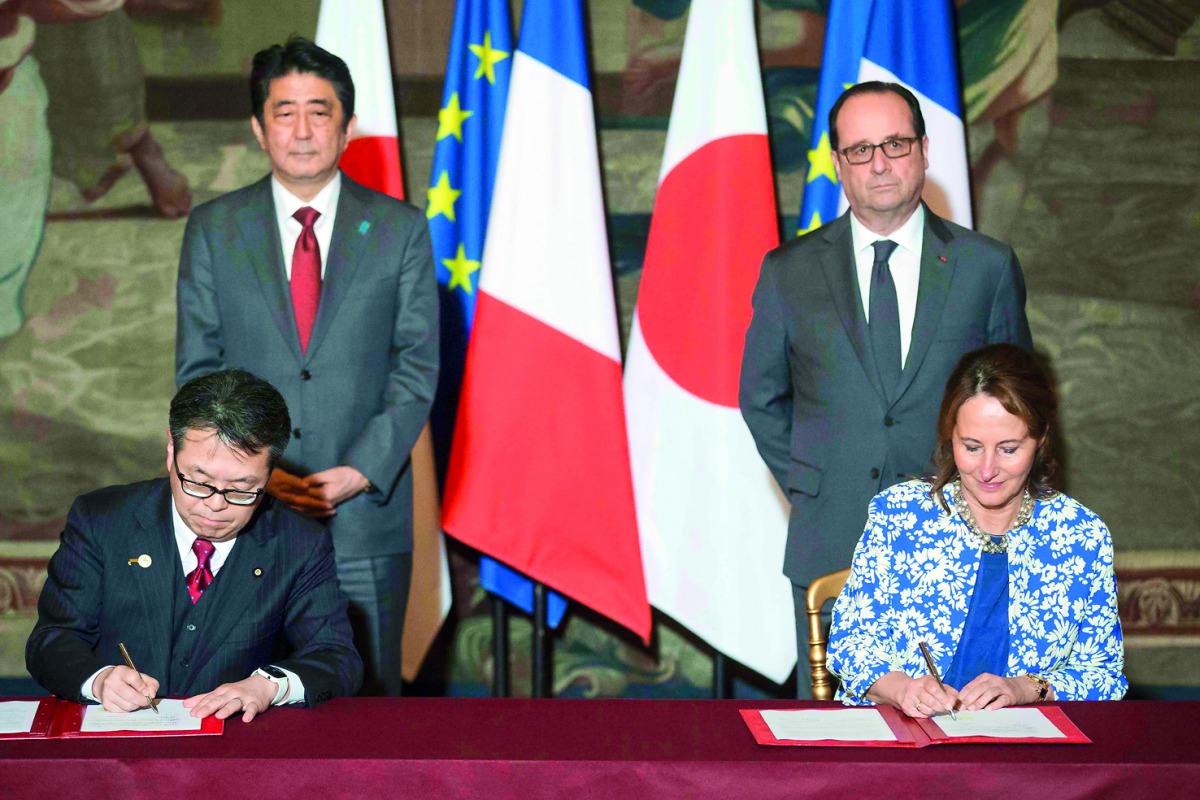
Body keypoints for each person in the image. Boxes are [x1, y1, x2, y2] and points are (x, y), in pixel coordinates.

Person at [738, 81, 1032, 694]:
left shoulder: (987, 266)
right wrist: (813, 477)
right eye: (860, 149)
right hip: (833, 536)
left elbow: (1016, 405)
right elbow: (760, 397)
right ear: (838, 165)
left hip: (964, 536)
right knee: (838, 755)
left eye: (895, 144)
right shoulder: (787, 272)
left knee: (964, 751)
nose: (878, 163)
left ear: (925, 150)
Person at [175, 37, 438, 696]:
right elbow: (196, 371)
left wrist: (358, 471)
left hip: (366, 514)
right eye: (284, 112)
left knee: (368, 702)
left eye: (319, 112)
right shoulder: (214, 227)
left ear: (347, 127)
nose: (301, 130)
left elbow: (417, 367)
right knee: (241, 704)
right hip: (246, 515)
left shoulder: (400, 229)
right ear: (260, 128)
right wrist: (244, 477)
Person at [26, 369, 363, 721]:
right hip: (115, 740)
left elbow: (337, 657)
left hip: (233, 751)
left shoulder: (299, 542)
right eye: (199, 482)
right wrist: (99, 680)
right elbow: (51, 640)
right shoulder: (102, 521)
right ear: (171, 452)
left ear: (269, 474)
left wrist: (270, 685)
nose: (216, 504)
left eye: (242, 489)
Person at [827, 344, 1127, 714]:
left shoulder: (1082, 535)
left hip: (1026, 758)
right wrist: (903, 690)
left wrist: (1025, 688)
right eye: (971, 447)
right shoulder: (899, 516)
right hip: (908, 747)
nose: (987, 470)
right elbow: (849, 644)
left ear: (1041, 439)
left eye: (1008, 449)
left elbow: (1105, 675)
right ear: (949, 436)